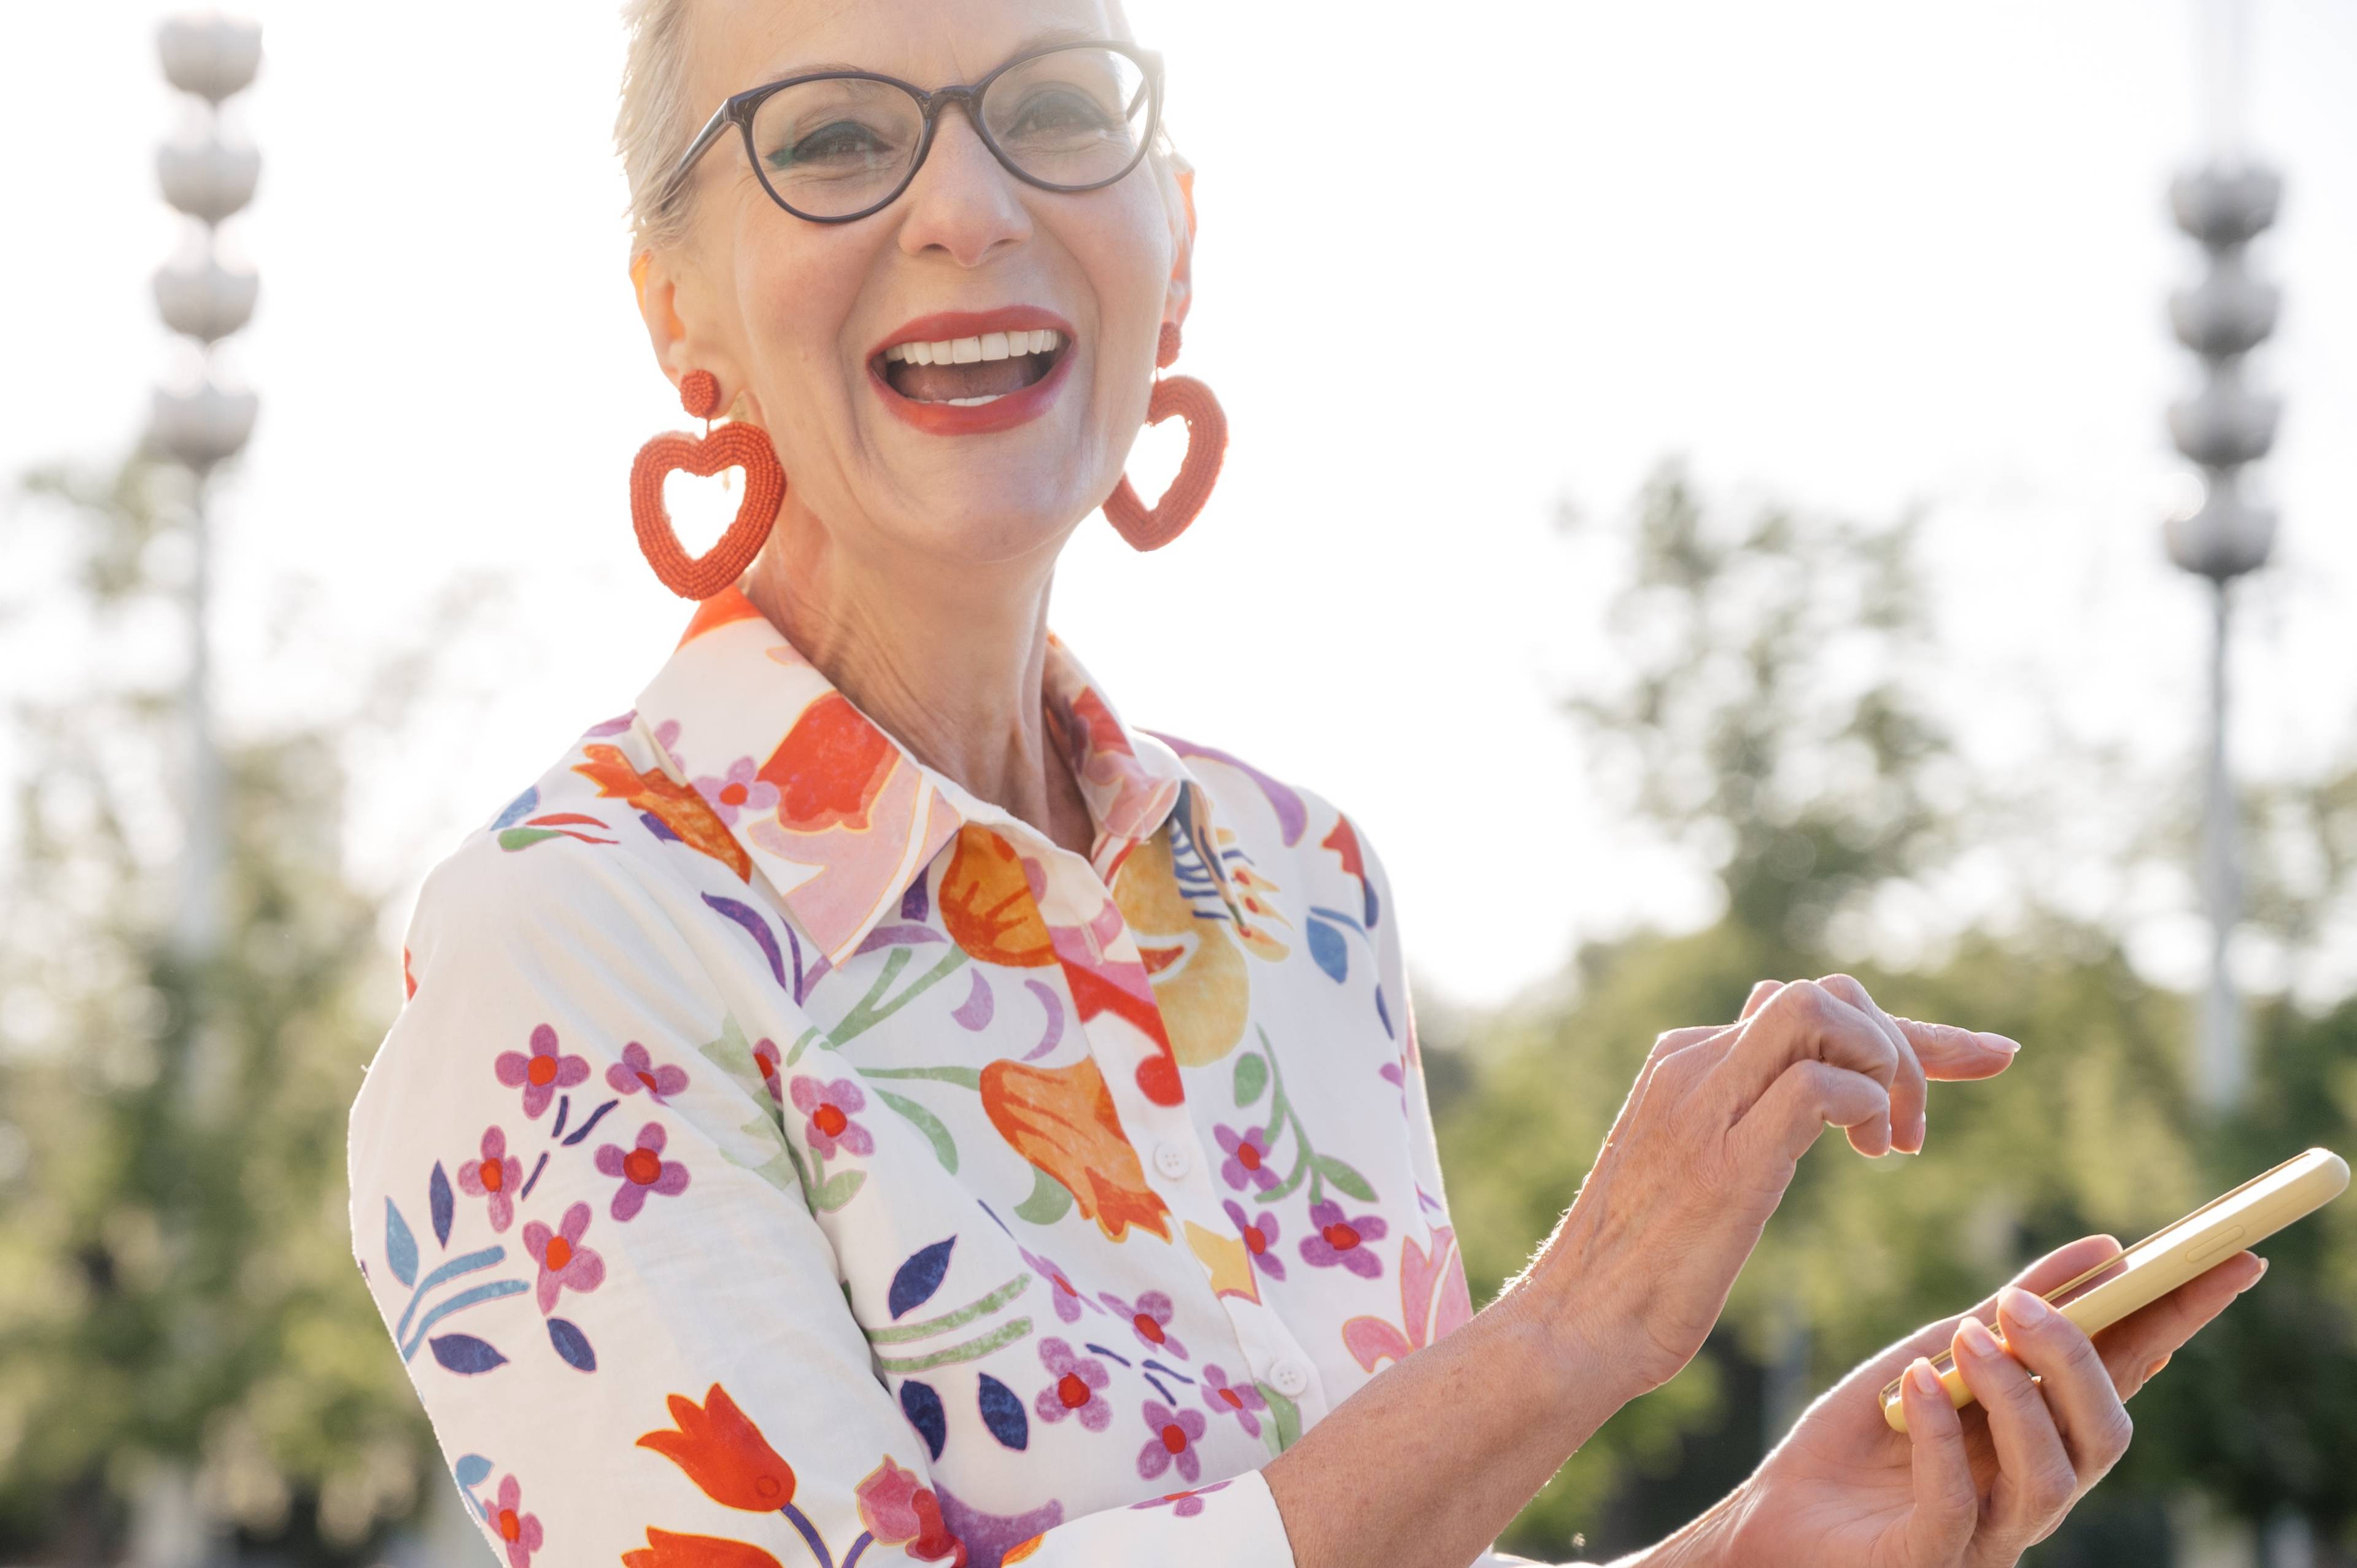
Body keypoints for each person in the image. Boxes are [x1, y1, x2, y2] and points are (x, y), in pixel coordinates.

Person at [344, 3, 2267, 1565]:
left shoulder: (1295, 883)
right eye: (835, 139)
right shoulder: (572, 941)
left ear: (1172, 242)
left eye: (1053, 107)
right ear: (677, 312)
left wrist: (1771, 1544)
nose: (968, 204)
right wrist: (1563, 1337)